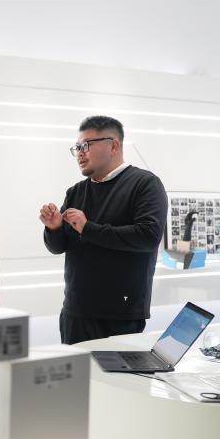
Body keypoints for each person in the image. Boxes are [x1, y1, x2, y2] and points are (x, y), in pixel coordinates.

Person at [40, 115, 167, 344]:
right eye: (77, 147)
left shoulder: (145, 184)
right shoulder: (75, 192)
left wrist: (88, 228)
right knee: (75, 369)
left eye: (86, 145)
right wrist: (54, 229)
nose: (80, 153)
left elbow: (148, 236)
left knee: (118, 370)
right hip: (75, 312)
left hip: (119, 315)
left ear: (114, 146)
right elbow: (59, 247)